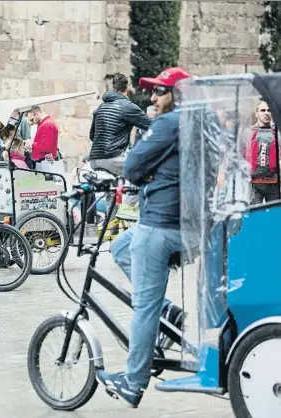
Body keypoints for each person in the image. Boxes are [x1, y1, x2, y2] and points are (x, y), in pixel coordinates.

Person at [96, 67, 191, 408]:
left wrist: (146, 171)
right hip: (186, 223)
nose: (152, 98)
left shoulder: (167, 123)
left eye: (160, 92)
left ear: (176, 95)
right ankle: (170, 312)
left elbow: (133, 167)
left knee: (144, 307)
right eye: (152, 92)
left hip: (161, 223)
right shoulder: (196, 124)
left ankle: (132, 382)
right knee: (120, 246)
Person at [89, 73, 151, 219]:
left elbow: (92, 136)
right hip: (112, 156)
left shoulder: (100, 108)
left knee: (113, 190)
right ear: (127, 88)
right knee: (142, 168)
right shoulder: (127, 106)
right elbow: (152, 125)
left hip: (95, 158)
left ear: (113, 87)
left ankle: (110, 226)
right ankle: (129, 207)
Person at [246, 101, 280, 203]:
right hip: (254, 183)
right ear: (257, 114)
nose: (266, 113)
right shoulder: (249, 133)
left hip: (274, 183)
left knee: (275, 215)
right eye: (263, 110)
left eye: (269, 110)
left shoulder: (277, 134)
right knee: (255, 214)